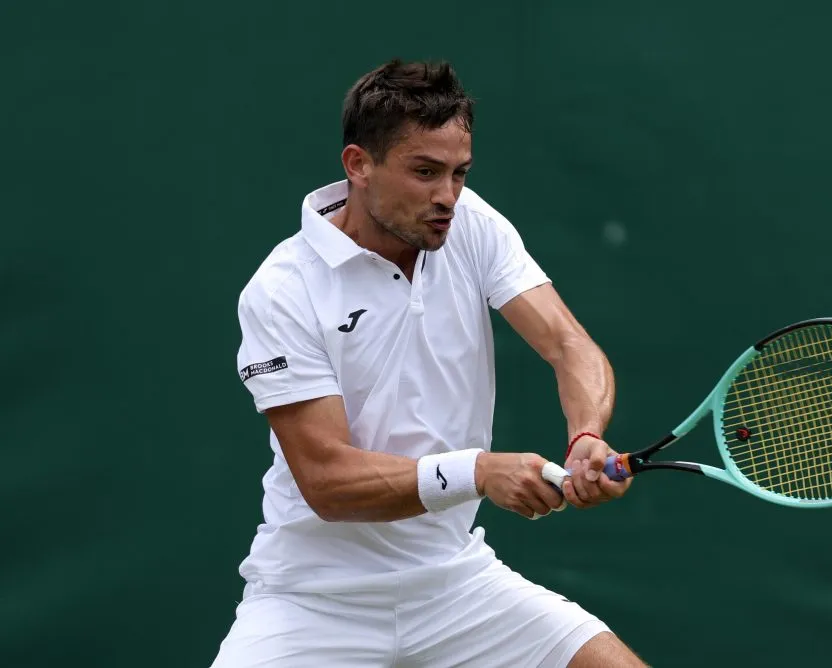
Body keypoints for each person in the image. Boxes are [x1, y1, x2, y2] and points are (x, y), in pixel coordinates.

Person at [211, 59, 647, 668]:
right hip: (313, 601)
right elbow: (328, 482)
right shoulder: (283, 289)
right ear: (358, 165)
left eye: (459, 174)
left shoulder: (471, 225)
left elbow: (569, 346)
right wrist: (477, 472)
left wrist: (585, 435)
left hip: (456, 583)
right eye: (424, 173)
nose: (447, 196)